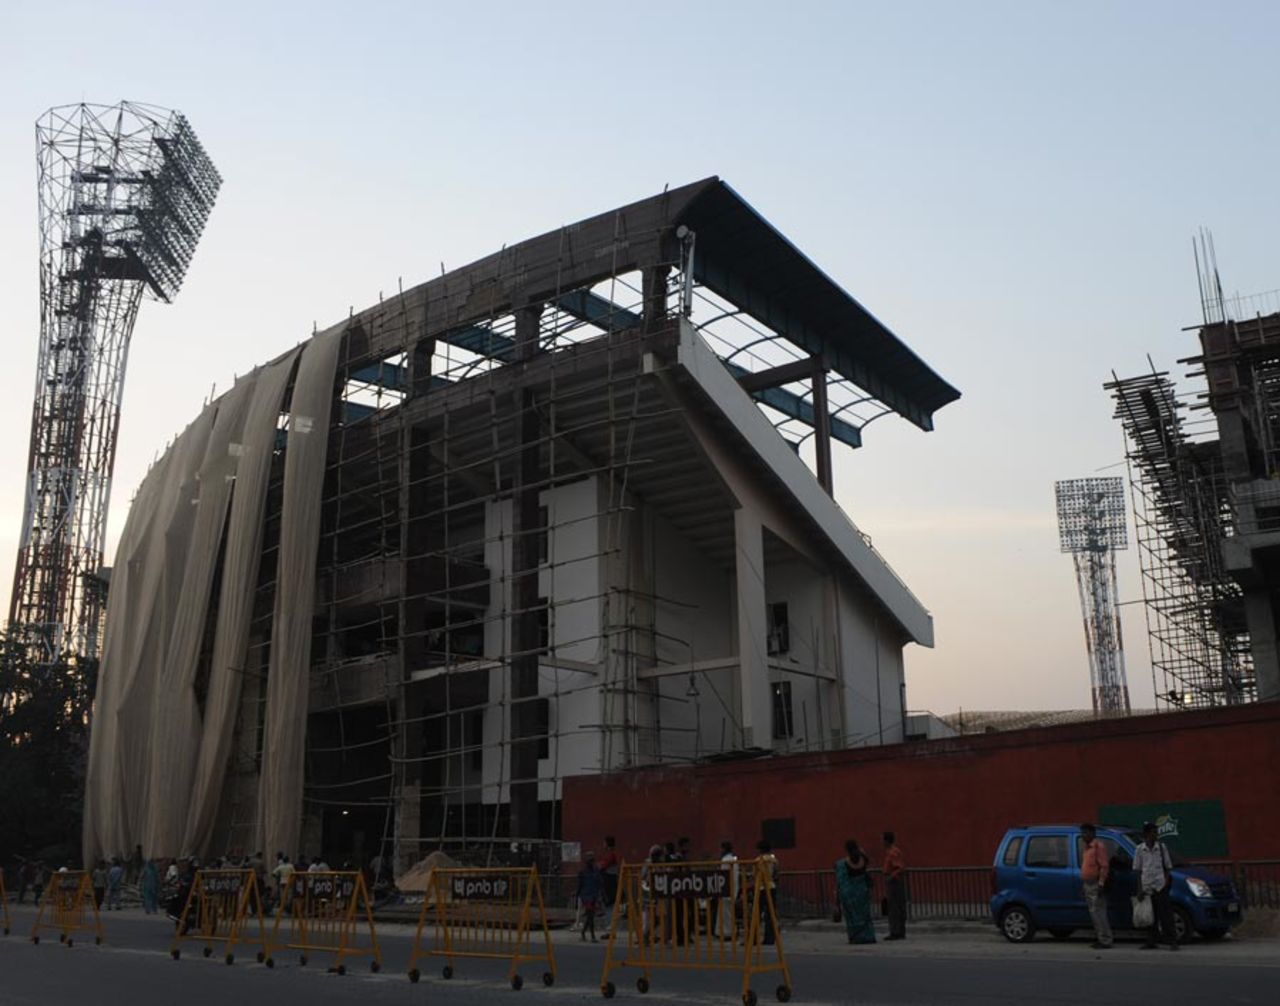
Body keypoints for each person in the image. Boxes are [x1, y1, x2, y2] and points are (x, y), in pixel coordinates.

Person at [1133, 822, 1178, 950]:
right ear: (1146, 834)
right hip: (1147, 886)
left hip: (1160, 885)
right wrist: (1140, 889)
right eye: (1153, 832)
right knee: (1150, 915)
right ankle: (1151, 941)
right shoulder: (1140, 849)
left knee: (1166, 915)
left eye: (1156, 832)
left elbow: (1168, 867)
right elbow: (1138, 870)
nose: (1155, 835)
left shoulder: (1162, 848)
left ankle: (1172, 941)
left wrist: (1165, 882)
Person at [835, 839, 876, 944]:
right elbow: (867, 861)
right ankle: (868, 936)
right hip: (863, 892)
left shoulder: (843, 864)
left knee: (852, 917)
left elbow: (841, 882)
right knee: (865, 916)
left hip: (850, 895)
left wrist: (838, 900)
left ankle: (856, 937)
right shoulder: (863, 860)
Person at [1079, 824, 1112, 949]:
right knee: (1094, 913)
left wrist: (1101, 883)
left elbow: (1104, 866)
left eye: (1085, 833)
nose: (1083, 835)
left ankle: (1105, 939)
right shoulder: (1086, 848)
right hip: (1088, 884)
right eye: (1082, 833)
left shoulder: (1098, 847)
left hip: (1096, 884)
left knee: (1099, 913)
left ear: (1092, 833)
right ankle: (1100, 938)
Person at [882, 831, 907, 941]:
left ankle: (895, 932)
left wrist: (891, 877)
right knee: (897, 906)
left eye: (883, 840)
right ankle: (899, 931)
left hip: (894, 882)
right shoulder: (892, 852)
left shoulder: (893, 852)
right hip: (894, 880)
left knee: (894, 907)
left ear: (887, 841)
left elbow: (900, 867)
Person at [576, 851, 605, 942]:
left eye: (592, 860)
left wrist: (600, 894)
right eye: (589, 860)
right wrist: (578, 894)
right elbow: (580, 885)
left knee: (590, 916)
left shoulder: (596, 871)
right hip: (586, 896)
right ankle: (592, 936)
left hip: (594, 895)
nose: (591, 862)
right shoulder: (582, 872)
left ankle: (583, 933)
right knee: (590, 915)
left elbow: (600, 882)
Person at [756, 840, 779, 946]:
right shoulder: (774, 860)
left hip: (761, 887)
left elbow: (755, 874)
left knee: (757, 913)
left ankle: (754, 937)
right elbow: (776, 874)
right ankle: (770, 938)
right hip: (771, 886)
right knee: (771, 914)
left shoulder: (758, 860)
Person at [715, 840, 739, 938]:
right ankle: (729, 931)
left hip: (726, 889)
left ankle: (726, 932)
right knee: (729, 912)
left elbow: (723, 876)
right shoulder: (734, 860)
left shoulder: (725, 860)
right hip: (733, 888)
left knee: (725, 913)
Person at [599, 836, 620, 932]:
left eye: (604, 843)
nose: (603, 845)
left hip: (609, 882)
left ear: (607, 844)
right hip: (610, 881)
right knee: (609, 904)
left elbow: (603, 866)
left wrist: (600, 866)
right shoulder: (612, 854)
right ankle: (610, 925)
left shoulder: (610, 855)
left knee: (609, 904)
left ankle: (610, 926)